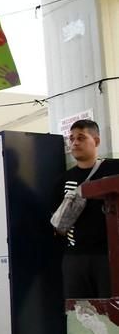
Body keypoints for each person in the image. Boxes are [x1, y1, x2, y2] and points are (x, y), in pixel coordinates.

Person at [55, 119, 119, 298]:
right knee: (78, 312)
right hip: (75, 257)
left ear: (96, 141)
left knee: (112, 309)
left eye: (81, 138)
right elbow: (55, 221)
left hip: (110, 254)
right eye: (72, 138)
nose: (75, 143)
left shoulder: (114, 168)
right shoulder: (63, 179)